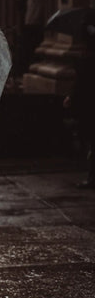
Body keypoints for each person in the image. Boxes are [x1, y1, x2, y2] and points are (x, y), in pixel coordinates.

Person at [63, 26, 95, 189]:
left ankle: (92, 176)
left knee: (90, 140)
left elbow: (80, 85)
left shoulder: (85, 60)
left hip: (88, 107)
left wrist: (71, 98)